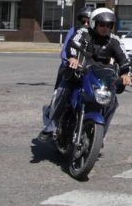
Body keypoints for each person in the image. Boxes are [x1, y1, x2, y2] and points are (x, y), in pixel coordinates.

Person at [40, 9, 93, 139]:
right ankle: (51, 126)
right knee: (60, 94)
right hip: (70, 70)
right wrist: (70, 60)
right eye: (83, 20)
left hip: (88, 73)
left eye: (89, 21)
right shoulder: (73, 31)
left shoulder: (96, 35)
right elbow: (65, 51)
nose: (86, 23)